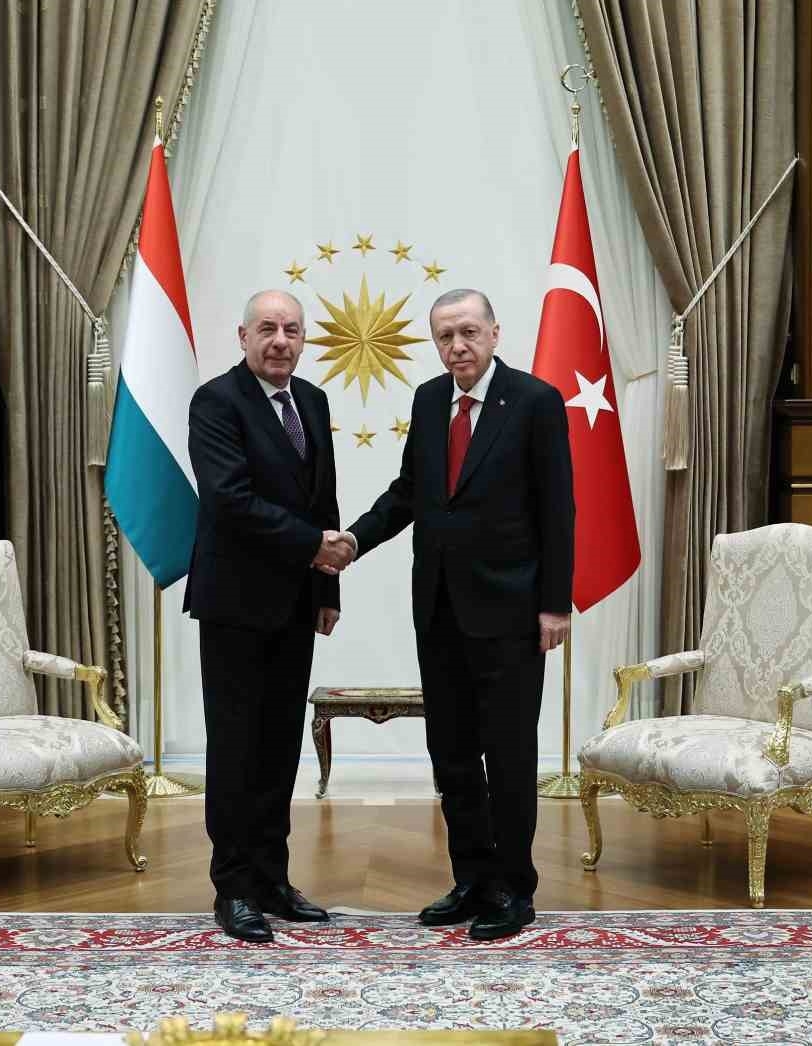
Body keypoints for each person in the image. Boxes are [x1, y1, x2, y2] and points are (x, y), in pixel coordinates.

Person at [341, 287, 573, 941]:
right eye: (445, 335)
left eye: (469, 332)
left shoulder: (535, 401)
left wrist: (555, 603)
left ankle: (513, 888)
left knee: (508, 755)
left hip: (512, 613)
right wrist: (353, 541)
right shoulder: (427, 401)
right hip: (440, 610)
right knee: (453, 755)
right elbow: (407, 493)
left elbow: (558, 507)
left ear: (495, 333)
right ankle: (470, 879)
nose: (457, 346)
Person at [185, 289, 355, 943]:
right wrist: (313, 546)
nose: (280, 340)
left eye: (291, 329)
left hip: (294, 603)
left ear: (303, 338)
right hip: (234, 603)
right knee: (236, 749)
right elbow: (228, 499)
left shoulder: (312, 400)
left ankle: (272, 881)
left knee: (281, 747)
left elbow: (322, 497)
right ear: (243, 336)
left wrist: (327, 589)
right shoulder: (216, 402)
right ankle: (233, 889)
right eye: (267, 328)